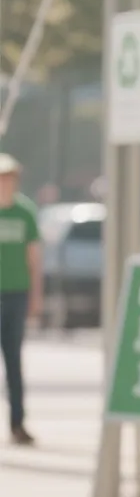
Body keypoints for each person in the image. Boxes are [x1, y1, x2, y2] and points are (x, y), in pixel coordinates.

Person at [0, 154, 41, 446]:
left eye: (9, 177)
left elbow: (34, 260)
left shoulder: (25, 213)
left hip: (16, 294)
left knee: (14, 361)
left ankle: (17, 423)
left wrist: (36, 297)